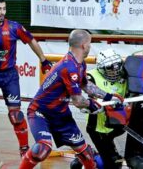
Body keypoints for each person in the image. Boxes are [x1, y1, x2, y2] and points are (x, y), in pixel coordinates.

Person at [19, 30, 123, 169]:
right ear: (83, 45)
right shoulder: (69, 67)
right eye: (89, 43)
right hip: (40, 113)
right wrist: (97, 106)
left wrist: (108, 96)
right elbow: (78, 101)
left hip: (61, 115)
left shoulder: (80, 64)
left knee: (86, 155)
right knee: (42, 149)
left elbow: (86, 85)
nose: (90, 46)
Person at [0, 0, 52, 157]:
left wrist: (43, 60)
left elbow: (31, 40)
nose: (2, 12)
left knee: (16, 115)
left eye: (4, 9)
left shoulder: (14, 27)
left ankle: (24, 150)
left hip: (9, 76)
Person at [70, 49, 143, 169]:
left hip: (119, 123)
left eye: (117, 66)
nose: (115, 70)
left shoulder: (126, 75)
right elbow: (80, 98)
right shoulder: (91, 77)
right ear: (101, 68)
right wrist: (88, 107)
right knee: (113, 165)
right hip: (99, 128)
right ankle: (89, 157)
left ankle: (133, 155)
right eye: (110, 67)